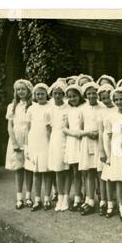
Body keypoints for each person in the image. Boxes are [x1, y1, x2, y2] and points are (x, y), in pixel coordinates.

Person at [5, 79, 34, 209]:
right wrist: (14, 142)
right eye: (18, 89)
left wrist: (31, 142)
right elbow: (10, 126)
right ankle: (19, 198)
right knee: (18, 168)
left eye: (23, 89)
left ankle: (28, 196)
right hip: (16, 138)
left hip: (29, 138)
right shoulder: (12, 106)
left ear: (28, 90)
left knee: (29, 168)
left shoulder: (33, 105)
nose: (21, 92)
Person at [25, 83, 53, 211]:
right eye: (38, 94)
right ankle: (37, 199)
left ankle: (47, 198)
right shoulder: (31, 108)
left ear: (46, 94)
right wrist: (27, 145)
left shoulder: (51, 106)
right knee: (36, 171)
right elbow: (28, 127)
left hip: (46, 141)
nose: (40, 96)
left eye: (42, 94)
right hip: (34, 141)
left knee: (46, 171)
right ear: (34, 95)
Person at [78, 82, 105, 215]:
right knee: (89, 172)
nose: (92, 95)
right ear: (85, 95)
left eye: (94, 93)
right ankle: (89, 201)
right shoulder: (82, 109)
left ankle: (103, 201)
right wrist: (88, 133)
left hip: (100, 141)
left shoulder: (103, 107)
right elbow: (79, 128)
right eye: (89, 93)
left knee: (100, 172)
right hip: (87, 140)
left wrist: (99, 134)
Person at [104, 87, 122, 221]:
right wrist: (108, 155)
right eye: (117, 100)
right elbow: (107, 136)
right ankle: (121, 207)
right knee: (118, 179)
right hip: (116, 150)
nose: (120, 102)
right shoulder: (110, 116)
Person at [47, 81, 70, 212]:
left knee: (67, 169)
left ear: (63, 94)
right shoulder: (50, 109)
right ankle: (60, 197)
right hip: (55, 139)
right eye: (55, 93)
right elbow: (48, 129)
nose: (57, 96)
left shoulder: (67, 107)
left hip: (67, 138)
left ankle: (66, 197)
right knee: (58, 169)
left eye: (60, 93)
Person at [63, 84, 86, 211]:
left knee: (86, 172)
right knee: (75, 172)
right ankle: (77, 197)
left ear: (80, 96)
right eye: (70, 97)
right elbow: (64, 128)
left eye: (75, 96)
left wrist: (81, 134)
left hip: (83, 141)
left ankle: (88, 197)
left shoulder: (84, 107)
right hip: (73, 141)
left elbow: (85, 125)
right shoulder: (68, 109)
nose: (72, 99)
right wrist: (74, 133)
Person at [97, 84, 117, 217]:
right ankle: (107, 203)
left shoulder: (119, 109)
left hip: (117, 142)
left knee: (119, 176)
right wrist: (102, 151)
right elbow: (101, 131)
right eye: (103, 98)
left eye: (108, 97)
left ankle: (121, 203)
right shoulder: (101, 111)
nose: (106, 100)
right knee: (107, 177)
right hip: (106, 143)